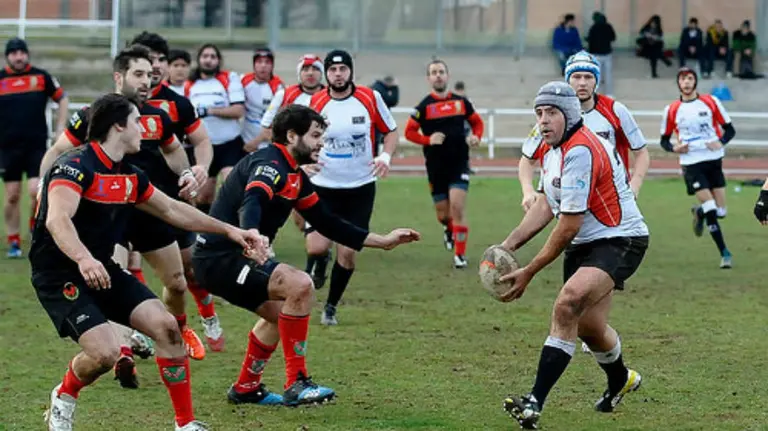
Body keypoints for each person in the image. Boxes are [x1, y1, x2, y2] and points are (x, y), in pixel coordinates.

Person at [33, 92, 267, 431]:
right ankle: (64, 396)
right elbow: (58, 220)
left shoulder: (129, 174)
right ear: (118, 126)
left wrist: (231, 231)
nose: (144, 128)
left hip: (103, 270)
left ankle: (184, 424)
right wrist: (84, 259)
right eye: (137, 121)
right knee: (104, 355)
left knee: (168, 328)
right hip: (60, 275)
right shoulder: (73, 166)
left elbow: (172, 209)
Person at [192, 104, 420, 406]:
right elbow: (254, 200)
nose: (321, 143)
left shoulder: (295, 176)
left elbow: (328, 223)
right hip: (220, 259)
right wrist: (253, 235)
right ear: (291, 135)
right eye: (315, 136)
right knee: (300, 285)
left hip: (235, 257)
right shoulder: (270, 165)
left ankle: (246, 387)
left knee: (280, 317)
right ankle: (297, 383)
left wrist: (383, 241)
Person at [39, 45, 210, 386]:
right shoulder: (95, 115)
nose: (148, 81)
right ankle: (123, 354)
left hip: (149, 206)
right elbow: (59, 151)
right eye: (139, 74)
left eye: (150, 74)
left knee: (177, 281)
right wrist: (45, 192)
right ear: (119, 76)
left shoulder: (158, 117)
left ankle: (179, 327)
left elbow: (176, 152)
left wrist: (190, 172)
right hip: (107, 213)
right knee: (107, 272)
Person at [499, 82, 648, 430]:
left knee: (566, 304)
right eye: (539, 113)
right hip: (585, 244)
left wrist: (529, 271)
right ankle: (620, 379)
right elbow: (545, 206)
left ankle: (534, 402)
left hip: (620, 238)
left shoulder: (581, 149)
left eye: (551, 112)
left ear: (568, 113)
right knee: (590, 328)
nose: (544, 120)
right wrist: (507, 247)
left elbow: (567, 224)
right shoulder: (552, 149)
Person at [129, 31, 224, 354]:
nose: (154, 67)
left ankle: (207, 316)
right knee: (122, 268)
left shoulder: (176, 105)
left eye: (159, 61)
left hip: (168, 200)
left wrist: (199, 168)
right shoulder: (115, 107)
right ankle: (141, 331)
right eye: (147, 61)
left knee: (187, 274)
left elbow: (202, 142)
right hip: (122, 202)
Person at [304, 49, 399, 326]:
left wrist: (385, 155)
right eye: (332, 70)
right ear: (326, 74)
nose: (338, 74)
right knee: (316, 247)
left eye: (342, 69)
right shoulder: (317, 101)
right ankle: (319, 264)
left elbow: (391, 130)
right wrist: (304, 162)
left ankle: (331, 307)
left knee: (348, 253)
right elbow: (305, 137)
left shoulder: (370, 98)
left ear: (350, 71)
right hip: (324, 185)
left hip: (359, 187)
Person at [519, 52, 649, 211]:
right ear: (567, 80)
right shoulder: (553, 113)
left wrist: (635, 184)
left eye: (588, 77)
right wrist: (527, 190)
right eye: (576, 77)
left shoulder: (615, 111)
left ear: (597, 80)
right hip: (567, 198)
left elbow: (641, 152)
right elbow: (527, 159)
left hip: (610, 198)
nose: (582, 83)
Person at [404, 59, 483, 268]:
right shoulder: (424, 106)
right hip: (435, 167)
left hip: (459, 163)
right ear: (428, 78)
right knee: (443, 215)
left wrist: (476, 136)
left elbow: (477, 122)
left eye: (441, 71)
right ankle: (448, 229)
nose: (438, 75)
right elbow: (409, 132)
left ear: (447, 76)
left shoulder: (461, 103)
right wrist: (428, 140)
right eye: (434, 72)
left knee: (457, 208)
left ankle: (459, 255)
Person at [660, 67, 735, 268]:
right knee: (712, 207)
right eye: (683, 79)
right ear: (678, 83)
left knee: (721, 211)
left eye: (690, 78)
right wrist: (676, 148)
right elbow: (664, 141)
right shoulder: (672, 110)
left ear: (695, 82)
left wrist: (720, 142)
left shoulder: (711, 102)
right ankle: (725, 253)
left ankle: (699, 212)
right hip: (691, 163)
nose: (686, 82)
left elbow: (730, 130)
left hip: (713, 160)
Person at [0, 37, 69, 258]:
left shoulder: (41, 77)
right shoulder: (1, 79)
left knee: (35, 192)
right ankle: (13, 241)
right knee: (12, 195)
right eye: (14, 53)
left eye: (22, 52)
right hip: (8, 148)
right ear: (7, 56)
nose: (18, 56)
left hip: (36, 146)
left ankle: (32, 224)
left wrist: (60, 128)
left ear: (27, 54)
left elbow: (62, 99)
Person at [254, 53, 325, 234]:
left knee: (322, 215)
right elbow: (267, 127)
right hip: (296, 163)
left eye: (315, 69)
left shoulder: (330, 95)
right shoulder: (285, 94)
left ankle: (321, 253)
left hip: (325, 163)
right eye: (305, 69)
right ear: (299, 73)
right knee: (301, 220)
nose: (310, 73)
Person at [184, 43, 245, 214]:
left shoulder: (228, 79)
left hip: (229, 144)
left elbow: (238, 110)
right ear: (199, 60)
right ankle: (205, 232)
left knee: (233, 186)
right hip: (204, 147)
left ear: (218, 60)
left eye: (213, 57)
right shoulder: (190, 84)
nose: (209, 60)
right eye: (205, 56)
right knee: (203, 197)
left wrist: (209, 111)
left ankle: (233, 228)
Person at [241, 47, 284, 152]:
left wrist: (256, 141)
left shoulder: (279, 87)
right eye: (259, 62)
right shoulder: (243, 80)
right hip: (244, 137)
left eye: (267, 62)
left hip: (265, 141)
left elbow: (278, 120)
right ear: (254, 64)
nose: (263, 66)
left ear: (272, 65)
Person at [585, 12, 616, 96]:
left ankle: (595, 93)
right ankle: (609, 94)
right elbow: (613, 38)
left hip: (596, 54)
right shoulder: (608, 27)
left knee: (596, 75)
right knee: (608, 75)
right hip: (607, 53)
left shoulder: (593, 28)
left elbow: (590, 40)